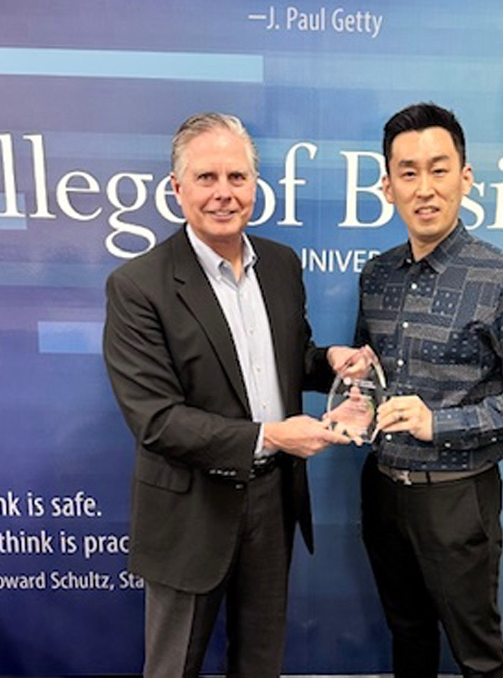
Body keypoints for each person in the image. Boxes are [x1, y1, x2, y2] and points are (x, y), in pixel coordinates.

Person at [103, 112, 355, 678]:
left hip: (272, 500)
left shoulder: (282, 266)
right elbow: (157, 421)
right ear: (177, 188)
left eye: (237, 177)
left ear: (255, 185)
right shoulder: (137, 286)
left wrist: (329, 361)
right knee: (174, 668)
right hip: (190, 507)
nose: (224, 193)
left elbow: (289, 358)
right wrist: (269, 435)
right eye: (207, 177)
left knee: (261, 663)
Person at [349, 102, 503, 678]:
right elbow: (369, 376)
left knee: (478, 655)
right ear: (388, 185)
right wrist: (355, 402)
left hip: (457, 498)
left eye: (439, 169)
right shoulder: (377, 275)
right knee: (407, 635)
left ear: (465, 178)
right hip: (382, 492)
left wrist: (437, 424)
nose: (425, 188)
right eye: (408, 172)